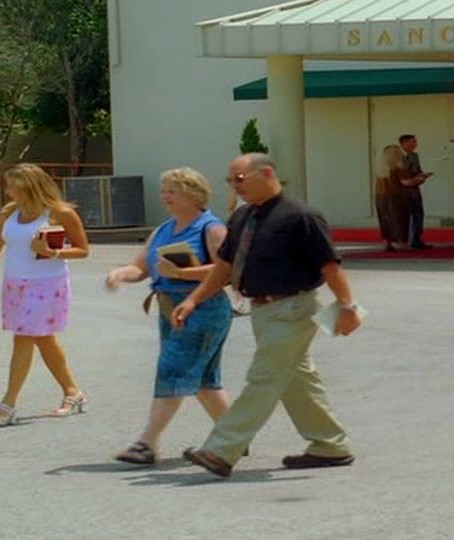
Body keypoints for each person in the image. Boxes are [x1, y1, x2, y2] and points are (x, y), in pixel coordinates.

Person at [173, 152, 363, 478]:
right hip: (261, 311)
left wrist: (348, 307)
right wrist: (193, 300)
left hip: (294, 309)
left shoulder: (301, 216)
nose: (235, 186)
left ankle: (221, 449)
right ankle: (331, 445)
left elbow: (329, 265)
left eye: (240, 179)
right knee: (295, 380)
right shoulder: (242, 217)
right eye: (231, 180)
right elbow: (225, 266)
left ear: (267, 173)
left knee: (263, 378)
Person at [105, 167, 233, 465]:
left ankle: (147, 443)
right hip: (168, 307)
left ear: (194, 194)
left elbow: (224, 270)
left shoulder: (211, 228)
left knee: (173, 372)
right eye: (163, 191)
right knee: (203, 380)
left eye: (172, 191)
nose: (165, 197)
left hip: (202, 307)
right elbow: (141, 266)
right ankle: (234, 436)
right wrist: (121, 273)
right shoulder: (163, 229)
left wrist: (181, 273)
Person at [0, 163, 90, 426]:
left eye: (12, 187)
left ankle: (8, 404)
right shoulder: (9, 213)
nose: (7, 192)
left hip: (46, 285)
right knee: (44, 339)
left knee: (24, 337)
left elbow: (83, 249)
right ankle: (73, 392)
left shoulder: (60, 213)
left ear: (29, 187)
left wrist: (53, 252)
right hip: (15, 284)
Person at [374, 145, 417, 251]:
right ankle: (401, 243)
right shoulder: (398, 168)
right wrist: (419, 179)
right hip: (397, 197)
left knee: (385, 220)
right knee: (400, 219)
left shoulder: (380, 169)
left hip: (381, 197)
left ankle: (387, 242)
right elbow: (406, 182)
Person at [399, 134, 434, 249]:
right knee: (403, 216)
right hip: (401, 190)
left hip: (414, 189)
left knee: (418, 214)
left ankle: (416, 239)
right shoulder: (398, 157)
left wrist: (422, 176)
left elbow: (416, 171)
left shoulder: (414, 156)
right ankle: (402, 239)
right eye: (413, 142)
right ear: (404, 143)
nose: (416, 144)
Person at [225, 190, 250, 316]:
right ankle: (240, 302)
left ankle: (240, 303)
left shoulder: (237, 192)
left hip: (242, 228)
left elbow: (230, 206)